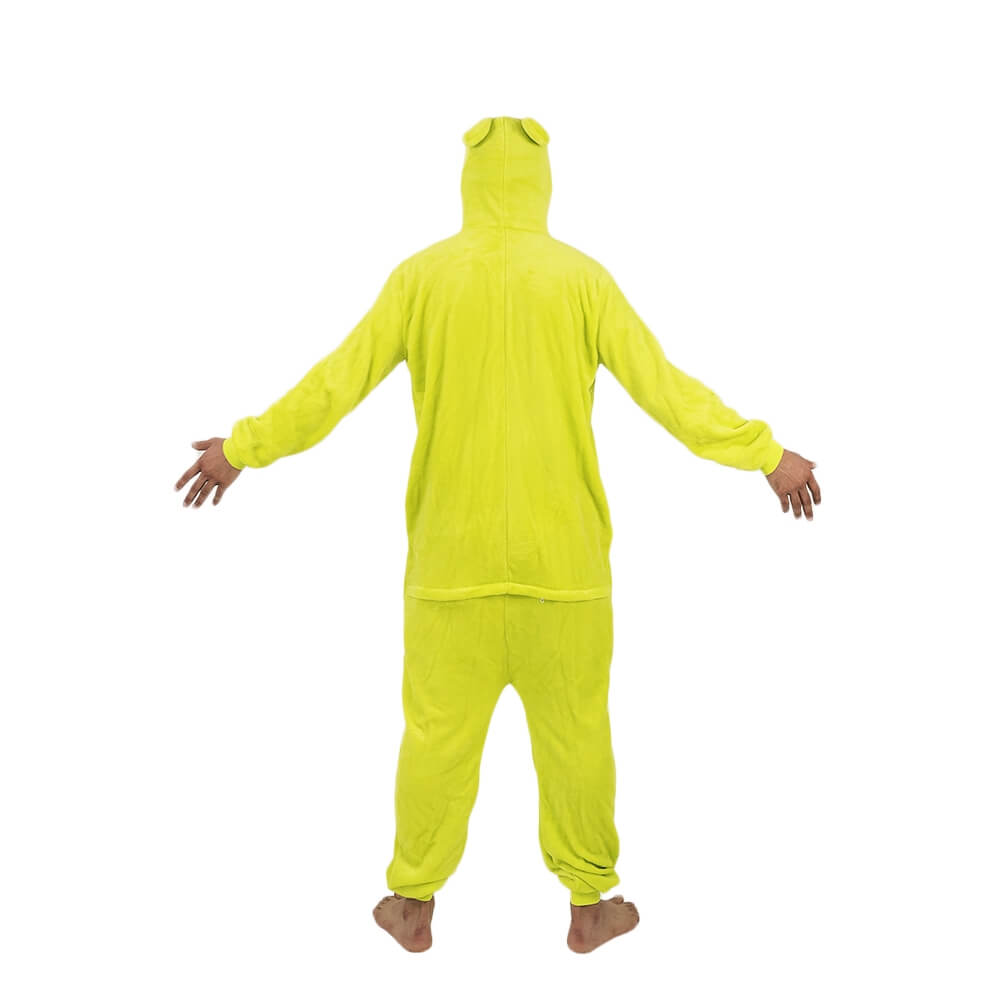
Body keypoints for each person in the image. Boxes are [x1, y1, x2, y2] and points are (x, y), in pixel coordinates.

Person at [175, 115, 821, 954]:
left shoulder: (422, 278)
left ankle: (411, 902)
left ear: (468, 181)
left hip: (451, 571)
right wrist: (765, 454)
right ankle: (590, 906)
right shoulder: (581, 280)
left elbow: (334, 385)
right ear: (545, 180)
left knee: (435, 742)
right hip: (565, 573)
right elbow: (667, 391)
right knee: (578, 739)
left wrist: (241, 448)